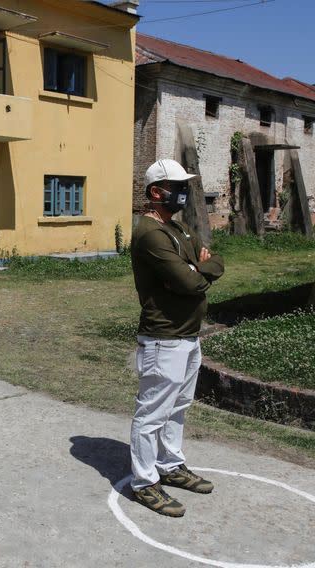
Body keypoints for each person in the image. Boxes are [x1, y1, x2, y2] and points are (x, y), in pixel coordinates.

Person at [130, 159, 225, 517]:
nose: (183, 192)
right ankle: (143, 482)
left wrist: (198, 267)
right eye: (177, 186)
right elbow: (190, 282)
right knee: (152, 412)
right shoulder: (150, 234)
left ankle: (170, 465)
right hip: (163, 338)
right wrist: (197, 270)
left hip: (188, 335)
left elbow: (214, 261)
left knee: (178, 407)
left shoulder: (179, 229)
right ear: (157, 192)